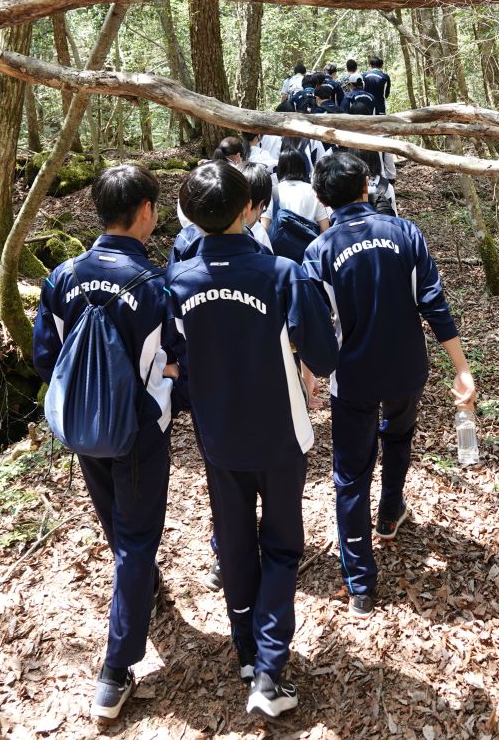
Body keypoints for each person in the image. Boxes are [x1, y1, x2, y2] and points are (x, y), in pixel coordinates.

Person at [166, 162, 337, 718]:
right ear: (248, 208)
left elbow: (172, 358)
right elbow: (323, 354)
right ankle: (268, 669)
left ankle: (247, 650)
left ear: (191, 217)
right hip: (279, 433)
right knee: (282, 547)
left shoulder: (177, 282)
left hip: (218, 437)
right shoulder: (282, 273)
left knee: (234, 541)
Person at [302, 153, 477, 619]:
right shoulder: (405, 233)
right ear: (366, 185)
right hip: (405, 368)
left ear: (322, 198)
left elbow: (315, 325)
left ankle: (360, 584)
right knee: (398, 436)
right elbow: (433, 302)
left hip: (353, 377)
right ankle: (390, 509)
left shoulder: (319, 251)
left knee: (351, 474)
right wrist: (461, 368)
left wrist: (309, 375)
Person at [33, 165, 178, 722]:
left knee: (120, 527)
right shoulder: (155, 286)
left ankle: (142, 585)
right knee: (137, 539)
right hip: (138, 433)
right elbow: (175, 359)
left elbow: (46, 356)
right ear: (145, 210)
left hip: (83, 428)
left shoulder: (62, 277)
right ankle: (115, 671)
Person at [261, 147, 329, 237]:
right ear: (303, 167)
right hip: (308, 243)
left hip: (279, 244)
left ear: (280, 168)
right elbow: (325, 228)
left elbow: (265, 227)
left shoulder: (273, 192)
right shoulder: (313, 191)